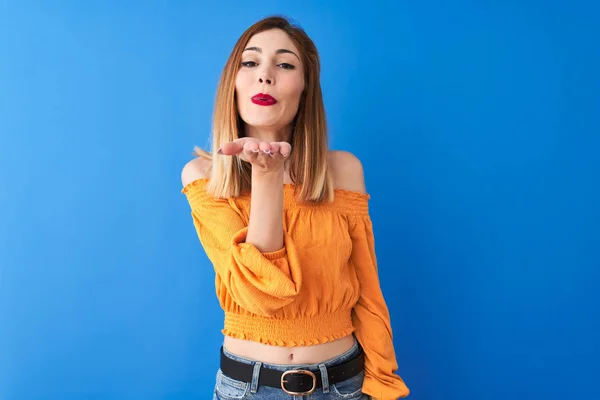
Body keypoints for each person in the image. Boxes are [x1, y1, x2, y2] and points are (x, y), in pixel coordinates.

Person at [181, 15, 410, 399]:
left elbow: (369, 293)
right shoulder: (203, 177)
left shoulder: (343, 170)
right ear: (232, 83)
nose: (265, 75)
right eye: (250, 62)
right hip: (248, 389)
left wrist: (381, 382)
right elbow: (262, 294)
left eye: (285, 64)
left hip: (343, 384)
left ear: (305, 88)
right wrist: (267, 177)